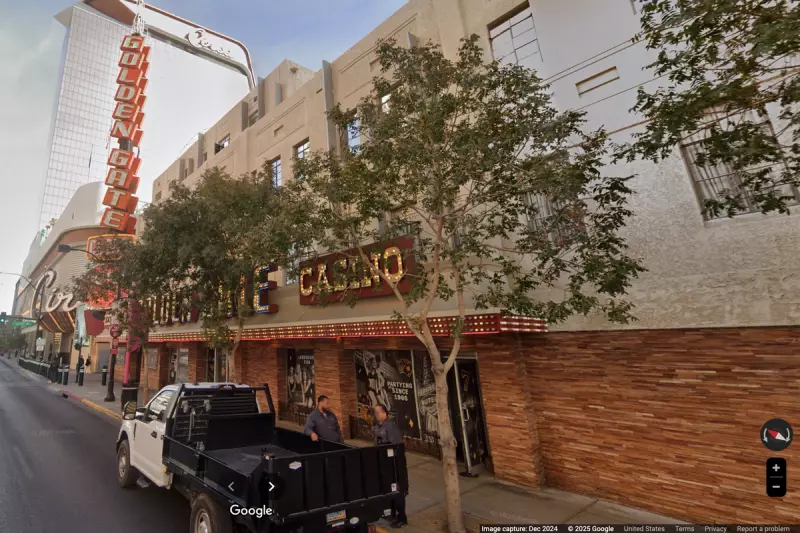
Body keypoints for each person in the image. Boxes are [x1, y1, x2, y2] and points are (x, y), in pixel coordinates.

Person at [373, 404, 408, 528]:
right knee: (389, 490)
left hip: (395, 466)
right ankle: (392, 514)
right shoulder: (378, 427)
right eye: (375, 412)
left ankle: (402, 517)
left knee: (398, 490)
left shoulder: (391, 427)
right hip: (384, 465)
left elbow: (397, 448)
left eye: (378, 412)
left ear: (385, 414)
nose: (376, 415)